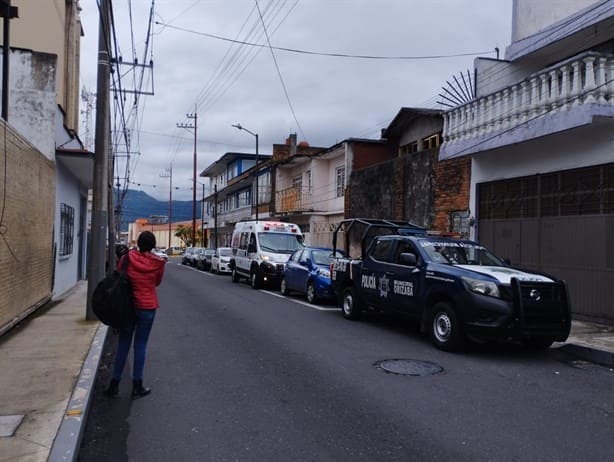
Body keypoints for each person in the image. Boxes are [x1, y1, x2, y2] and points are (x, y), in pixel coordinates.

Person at [104, 231, 166, 399]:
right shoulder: (158, 263)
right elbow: (157, 283)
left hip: (128, 307)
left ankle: (114, 384)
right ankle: (137, 385)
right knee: (140, 346)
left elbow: (118, 275)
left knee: (124, 344)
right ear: (153, 245)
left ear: (138, 243)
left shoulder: (127, 258)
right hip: (147, 307)